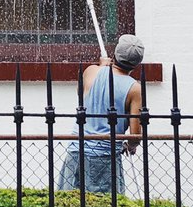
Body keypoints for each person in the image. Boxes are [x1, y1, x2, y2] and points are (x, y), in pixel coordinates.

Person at [57, 34, 145, 196]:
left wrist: (101, 67)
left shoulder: (91, 71)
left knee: (67, 206)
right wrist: (131, 146)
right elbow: (135, 135)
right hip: (105, 157)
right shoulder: (134, 89)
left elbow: (81, 94)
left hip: (77, 151)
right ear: (136, 64)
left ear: (115, 54)